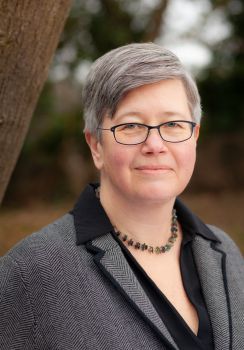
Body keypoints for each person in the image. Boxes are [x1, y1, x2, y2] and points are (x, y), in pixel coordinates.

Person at [0, 43, 243, 350]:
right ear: (96, 146)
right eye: (131, 125)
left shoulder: (225, 252)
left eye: (173, 124)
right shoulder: (30, 272)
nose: (155, 144)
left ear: (194, 136)